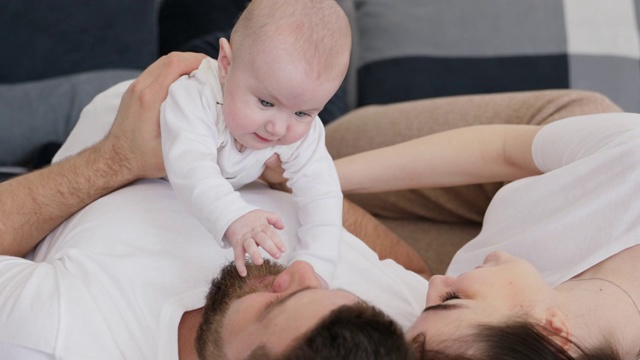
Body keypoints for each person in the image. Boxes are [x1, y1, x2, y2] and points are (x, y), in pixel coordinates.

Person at [0, 52, 423, 359]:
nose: (302, 272)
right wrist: (285, 178)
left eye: (277, 304)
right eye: (334, 291)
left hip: (78, 146)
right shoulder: (393, 327)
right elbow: (415, 270)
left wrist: (116, 159)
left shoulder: (60, 335)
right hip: (240, 113)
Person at [321, 96, 639, 358]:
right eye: (452, 299)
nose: (433, 285)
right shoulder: (627, 162)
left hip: (494, 250)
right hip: (552, 168)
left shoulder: (494, 325)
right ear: (552, 329)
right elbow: (503, 150)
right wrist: (319, 177)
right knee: (334, 143)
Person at [159, 0, 351, 281]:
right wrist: (234, 215)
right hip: (109, 125)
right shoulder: (196, 97)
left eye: (301, 113)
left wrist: (315, 262)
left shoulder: (303, 130)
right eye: (265, 102)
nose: (278, 128)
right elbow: (190, 165)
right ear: (225, 65)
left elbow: (322, 192)